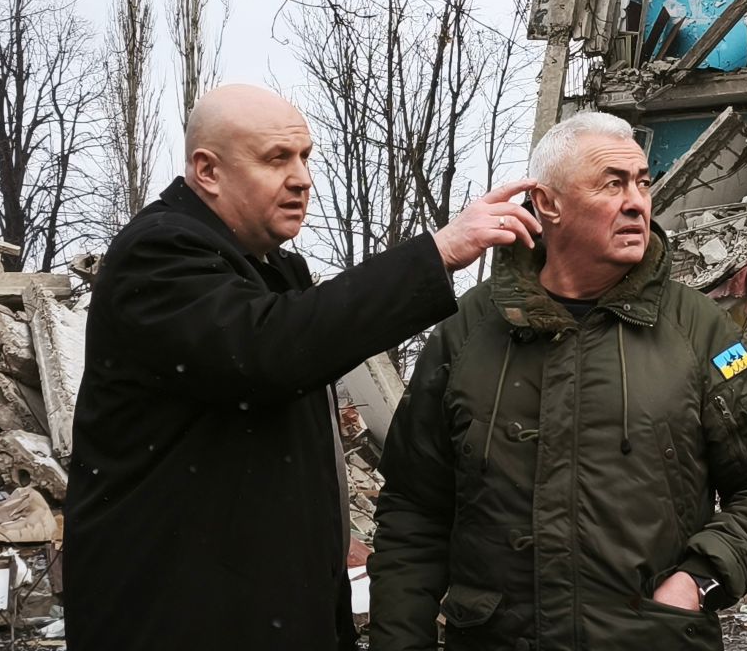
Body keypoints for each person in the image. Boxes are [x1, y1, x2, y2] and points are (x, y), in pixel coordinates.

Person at [64, 83, 541, 650]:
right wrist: (435, 254)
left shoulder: (265, 270)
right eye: (276, 159)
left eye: (305, 157)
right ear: (208, 171)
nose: (302, 178)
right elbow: (269, 350)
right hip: (175, 621)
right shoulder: (158, 254)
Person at [368, 111, 747, 649]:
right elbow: (413, 511)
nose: (637, 202)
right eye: (612, 184)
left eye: (642, 183)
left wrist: (698, 579)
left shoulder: (698, 329)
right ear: (548, 203)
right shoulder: (467, 332)